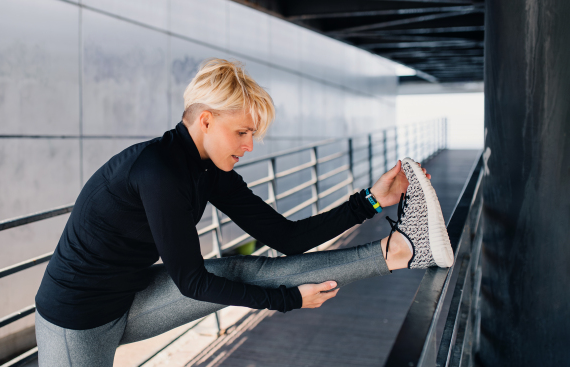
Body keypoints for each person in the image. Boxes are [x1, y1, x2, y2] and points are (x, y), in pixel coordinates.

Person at [34, 58, 452, 366]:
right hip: (77, 322)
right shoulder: (157, 171)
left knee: (241, 270)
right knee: (229, 278)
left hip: (128, 297)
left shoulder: (208, 169)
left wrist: (371, 200)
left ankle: (400, 251)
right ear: (206, 120)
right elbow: (192, 281)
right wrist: (286, 300)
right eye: (243, 132)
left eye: (253, 134)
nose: (249, 145)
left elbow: (286, 238)